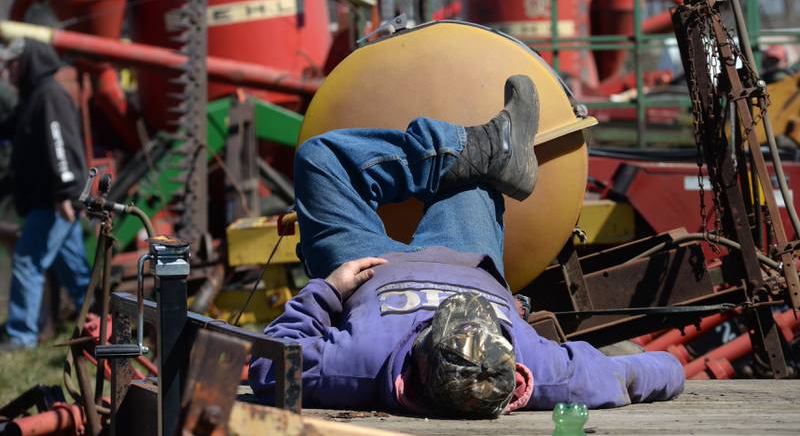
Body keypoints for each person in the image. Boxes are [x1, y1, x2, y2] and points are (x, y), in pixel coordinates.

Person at [249, 75, 684, 417]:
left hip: (368, 268)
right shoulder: (542, 373)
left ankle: (476, 147)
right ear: (516, 375)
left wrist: (329, 289)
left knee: (322, 159)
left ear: (409, 373)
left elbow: (268, 367)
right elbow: (649, 372)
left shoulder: (361, 365)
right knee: (479, 178)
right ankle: (490, 151)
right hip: (465, 258)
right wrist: (672, 369)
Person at [0, 38, 90, 350]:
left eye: (11, 64)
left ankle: (21, 336)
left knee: (27, 261)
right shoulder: (32, 98)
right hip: (50, 201)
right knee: (76, 271)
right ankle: (98, 323)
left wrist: (66, 192)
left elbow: (60, 144)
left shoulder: (49, 96)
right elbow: (9, 128)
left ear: (26, 63)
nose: (7, 70)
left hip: (52, 201)